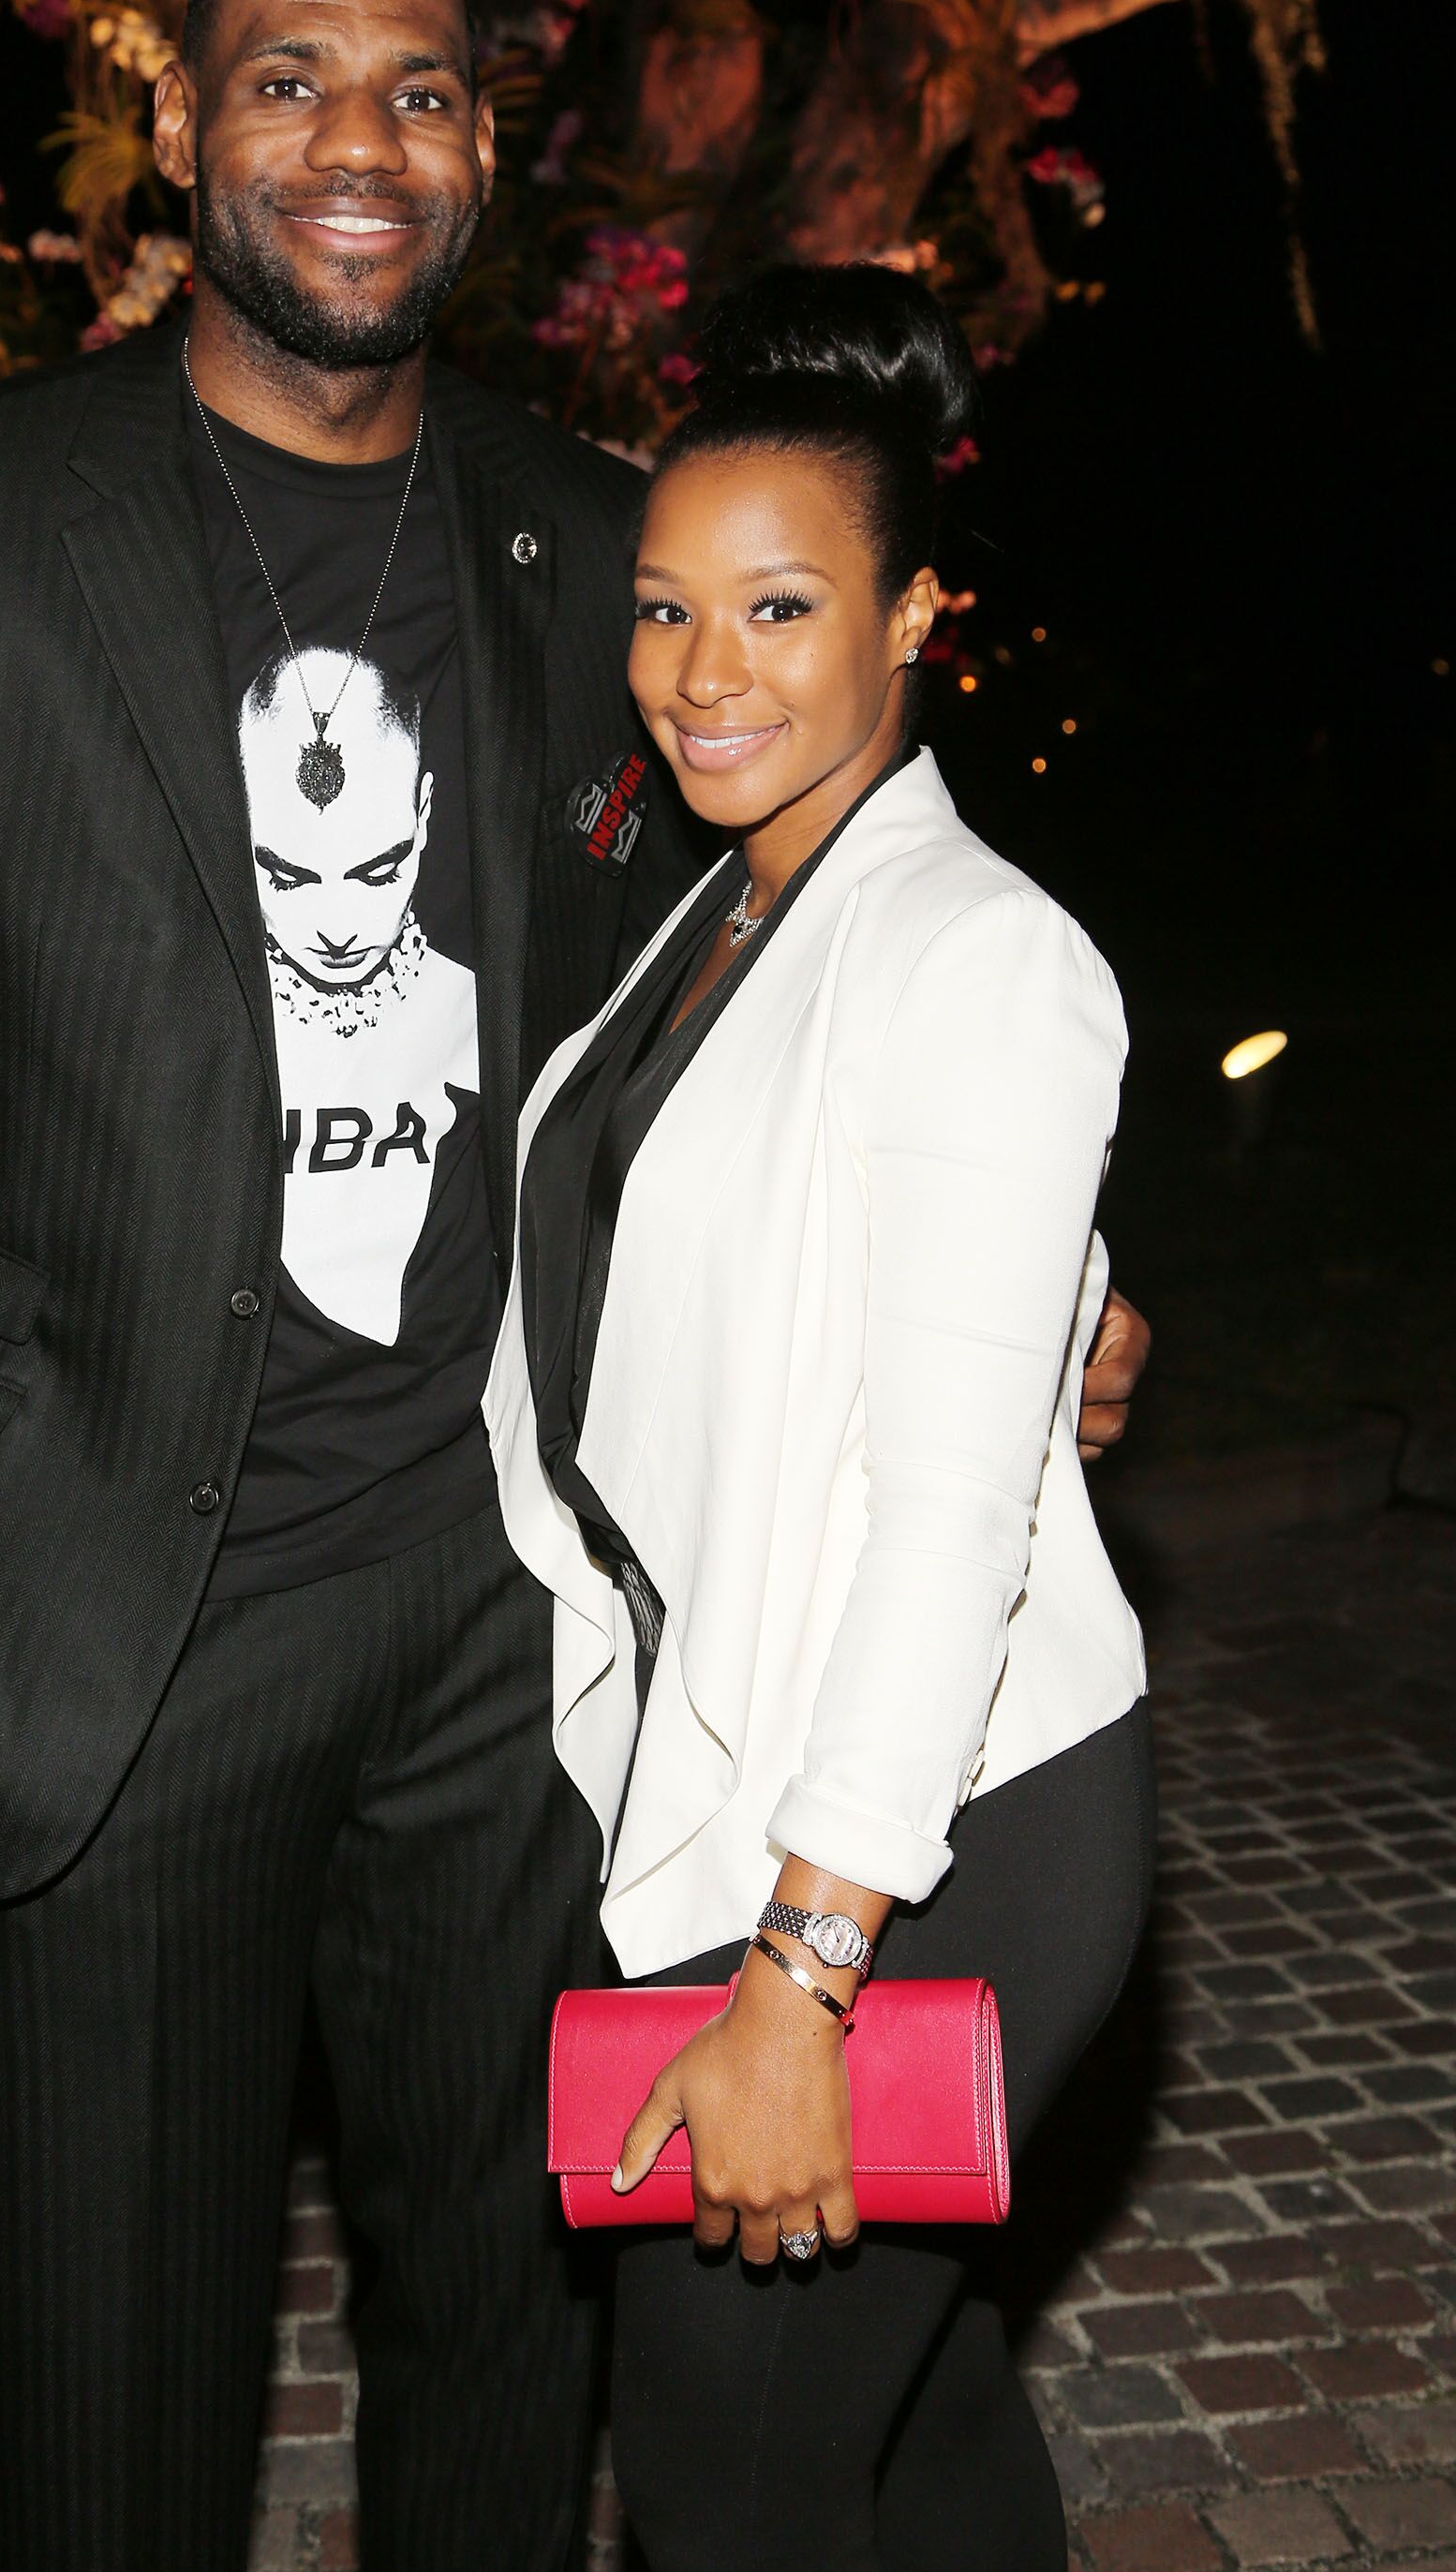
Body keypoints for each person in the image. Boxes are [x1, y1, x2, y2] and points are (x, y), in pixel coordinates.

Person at [0, 0, 1148, 2572]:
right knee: (112, 2422)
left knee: (504, 2349)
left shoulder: (600, 555)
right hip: (110, 1630)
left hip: (518, 1644)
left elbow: (763, 969)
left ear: (481, 145)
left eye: (425, 92)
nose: (358, 142)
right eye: (288, 80)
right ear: (184, 118)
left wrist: (1038, 1272)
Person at [487, 263, 1154, 2571]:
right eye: (667, 611)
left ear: (913, 621)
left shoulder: (976, 951)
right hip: (749, 1766)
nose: (704, 673)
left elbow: (953, 1508)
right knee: (914, 2426)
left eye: (779, 608)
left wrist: (801, 1976)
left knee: (726, 2477)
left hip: (918, 1832)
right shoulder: (715, 918)